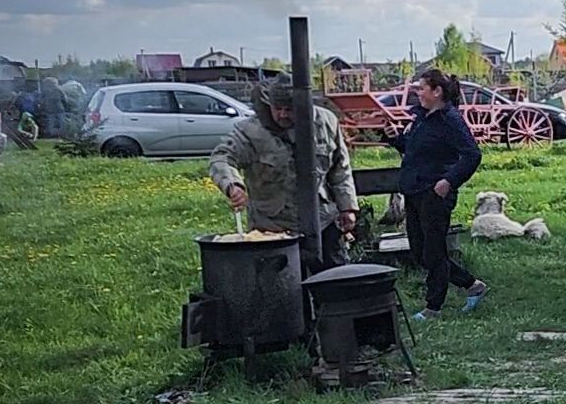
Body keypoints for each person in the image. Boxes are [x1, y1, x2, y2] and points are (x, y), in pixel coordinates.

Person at [208, 80, 357, 273]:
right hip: (272, 228)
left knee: (335, 280)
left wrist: (347, 207)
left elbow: (340, 169)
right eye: (277, 108)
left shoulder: (326, 122)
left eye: (289, 109)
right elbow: (221, 159)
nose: (282, 115)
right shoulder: (249, 132)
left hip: (323, 221)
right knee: (285, 288)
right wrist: (232, 185)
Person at [391, 68, 485, 320]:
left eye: (422, 88)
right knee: (420, 252)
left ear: (437, 91)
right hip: (413, 190)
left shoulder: (449, 120)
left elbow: (472, 154)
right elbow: (413, 147)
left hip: (435, 193)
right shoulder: (422, 117)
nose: (417, 93)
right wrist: (394, 138)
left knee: (433, 251)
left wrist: (449, 181)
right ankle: (472, 285)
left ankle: (433, 307)